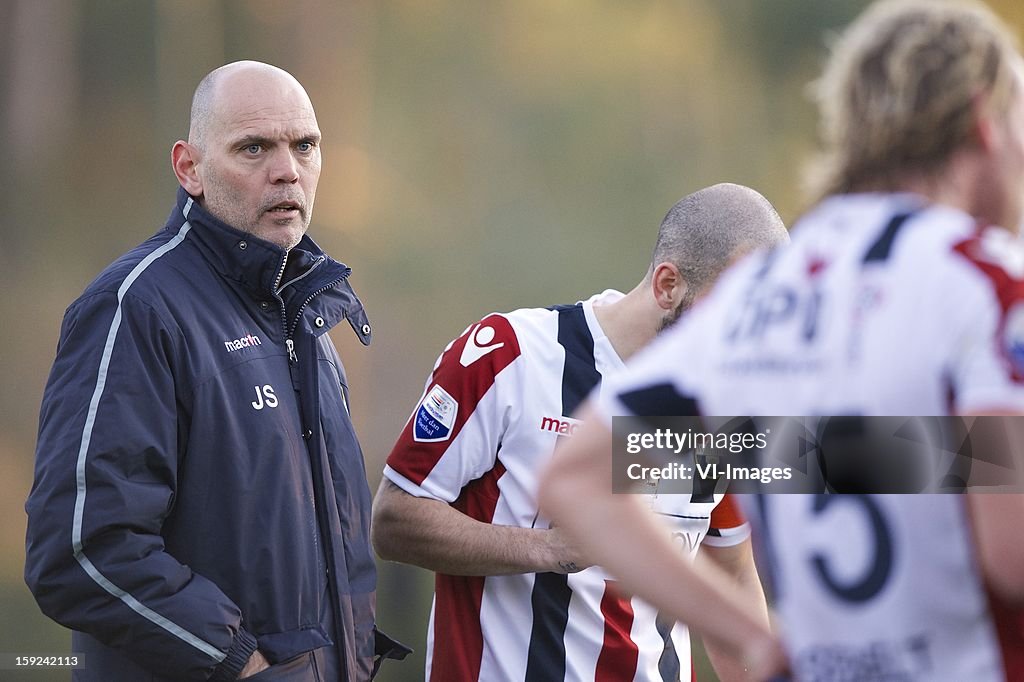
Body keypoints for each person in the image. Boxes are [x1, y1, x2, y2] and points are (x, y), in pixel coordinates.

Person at [540, 1, 1024, 680]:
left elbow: (580, 475)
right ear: (984, 119)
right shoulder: (988, 281)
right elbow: (1010, 549)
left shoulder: (758, 291)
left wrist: (760, 643)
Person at [25, 61, 407, 681]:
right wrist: (239, 661)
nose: (287, 169)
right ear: (189, 168)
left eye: (304, 145)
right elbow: (80, 551)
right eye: (254, 147)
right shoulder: (135, 307)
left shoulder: (303, 313)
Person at [372, 183, 789, 681]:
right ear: (667, 285)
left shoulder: (726, 408)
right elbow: (393, 521)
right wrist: (550, 550)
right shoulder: (510, 355)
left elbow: (734, 573)